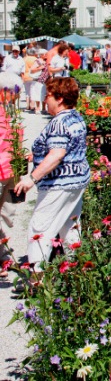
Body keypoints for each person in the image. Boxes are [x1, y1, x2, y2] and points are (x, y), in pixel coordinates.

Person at [14, 77, 90, 279]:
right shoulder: (76, 118)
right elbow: (68, 148)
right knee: (69, 226)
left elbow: (57, 154)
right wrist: (36, 156)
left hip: (59, 184)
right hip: (77, 181)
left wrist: (31, 178)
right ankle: (77, 272)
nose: (45, 99)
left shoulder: (58, 122)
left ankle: (37, 277)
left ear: (60, 98)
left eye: (47, 95)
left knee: (40, 228)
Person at [0, 75, 21, 275]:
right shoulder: (9, 112)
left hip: (5, 170)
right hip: (7, 170)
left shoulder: (8, 112)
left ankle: (3, 259)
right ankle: (3, 258)